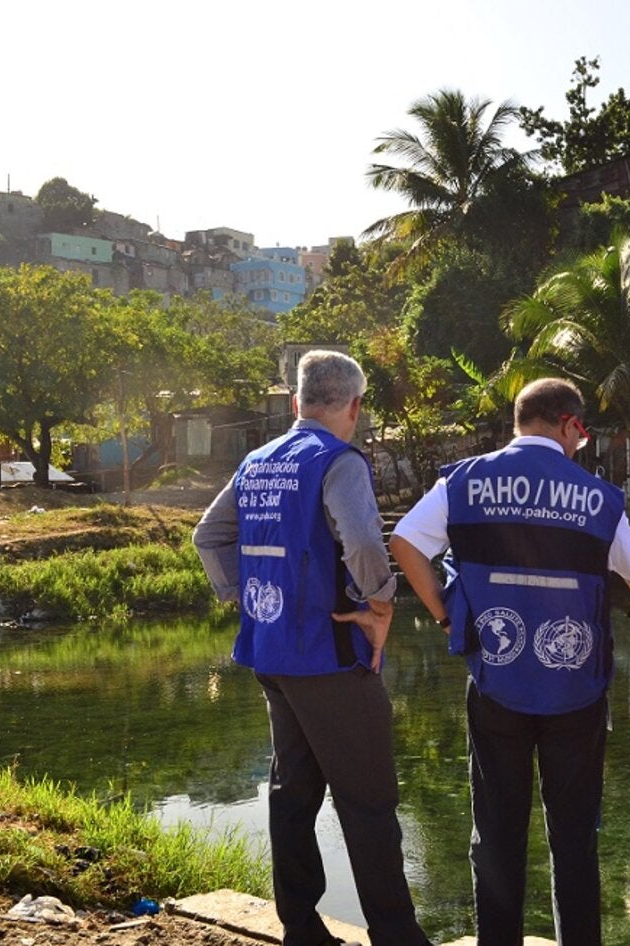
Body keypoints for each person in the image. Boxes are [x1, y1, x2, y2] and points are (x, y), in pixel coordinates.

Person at [389, 378, 630, 946]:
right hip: (576, 691)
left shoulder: (465, 481)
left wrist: (444, 615)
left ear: (517, 420)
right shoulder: (599, 498)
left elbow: (405, 541)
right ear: (569, 424)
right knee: (573, 839)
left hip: (496, 680)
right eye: (583, 431)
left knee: (498, 834)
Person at [192, 350, 430, 946]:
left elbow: (209, 535)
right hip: (327, 656)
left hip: (271, 652)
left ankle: (300, 925)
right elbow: (364, 543)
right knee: (370, 800)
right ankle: (398, 936)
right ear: (354, 406)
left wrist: (243, 595)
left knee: (292, 790)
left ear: (297, 403)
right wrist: (382, 606)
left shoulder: (257, 460)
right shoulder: (338, 460)